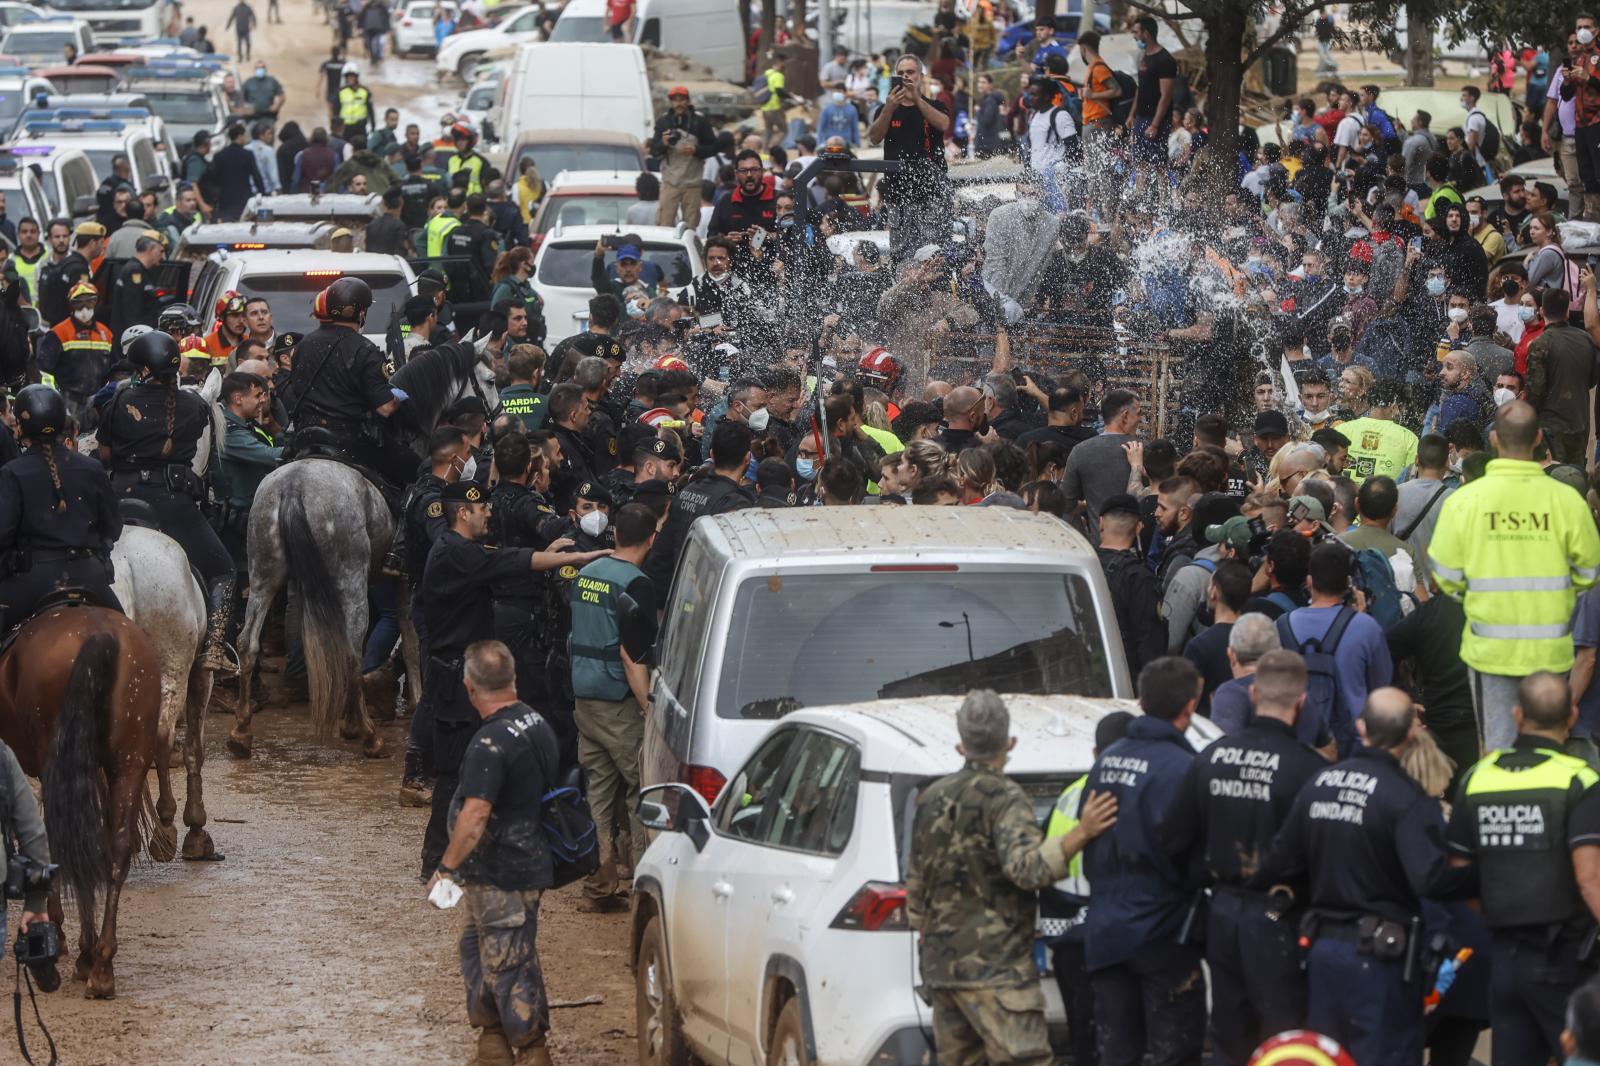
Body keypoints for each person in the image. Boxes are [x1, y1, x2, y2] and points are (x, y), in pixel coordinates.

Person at [1264, 687, 1477, 1066]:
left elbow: (1278, 861)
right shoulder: (1407, 798)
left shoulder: (1320, 783)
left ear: (1361, 727)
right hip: (1382, 962)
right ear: (1411, 735)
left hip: (1322, 954)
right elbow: (1430, 880)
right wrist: (1477, 873)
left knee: (1328, 1058)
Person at [907, 688, 1118, 1066]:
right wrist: (1081, 833)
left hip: (944, 972)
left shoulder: (931, 799)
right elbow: (1028, 869)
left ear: (960, 746)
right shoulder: (1005, 799)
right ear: (1010, 742)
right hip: (997, 970)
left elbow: (917, 886)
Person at [418, 479, 608, 876]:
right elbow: (502, 563)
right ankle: (438, 862)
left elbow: (499, 556)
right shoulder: (454, 553)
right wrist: (561, 561)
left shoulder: (462, 550)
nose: (489, 512)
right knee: (455, 773)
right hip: (455, 684)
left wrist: (546, 553)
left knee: (478, 766)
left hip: (464, 680)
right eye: (482, 508)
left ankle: (467, 852)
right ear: (463, 513)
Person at [1158, 649, 1326, 1066]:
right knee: (1284, 1039)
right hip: (1281, 918)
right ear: (1301, 702)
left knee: (1230, 1035)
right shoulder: (1308, 770)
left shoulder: (1212, 758)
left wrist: (1205, 879)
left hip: (1223, 914)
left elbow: (1170, 838)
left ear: (1253, 694)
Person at [1443, 671, 1600, 1064]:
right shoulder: (1580, 780)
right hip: (1564, 958)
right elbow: (1589, 879)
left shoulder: (1478, 777)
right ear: (1572, 716)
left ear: (1517, 716)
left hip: (1504, 957)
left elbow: (1458, 872)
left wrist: (1501, 913)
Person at [1429, 400, 1600, 752]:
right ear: (1538, 438)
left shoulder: (1466, 500)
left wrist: (1478, 595)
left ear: (1493, 439)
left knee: (1498, 750)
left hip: (1489, 650)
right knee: (1548, 749)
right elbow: (1589, 572)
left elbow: (1445, 576)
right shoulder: (1566, 501)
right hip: (1551, 652)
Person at [428, 639, 559, 1066]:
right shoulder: (536, 722)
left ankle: (531, 1049)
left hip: (505, 873)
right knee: (476, 948)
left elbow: (475, 814)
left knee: (509, 962)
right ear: (513, 677)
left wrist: (446, 868)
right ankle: (492, 1042)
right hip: (513, 867)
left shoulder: (490, 744)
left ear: (469, 687)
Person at [1079, 656, 1206, 1065]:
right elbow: (1195, 856)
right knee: (1175, 1050)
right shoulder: (1184, 768)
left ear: (1142, 701)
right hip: (1163, 934)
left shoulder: (1106, 762)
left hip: (1106, 931)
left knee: (1117, 1051)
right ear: (1191, 705)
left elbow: (1090, 839)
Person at [96, 332, 235, 673]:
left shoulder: (118, 400)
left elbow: (105, 454)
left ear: (142, 368)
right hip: (173, 503)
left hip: (122, 499)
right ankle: (215, 646)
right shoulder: (195, 406)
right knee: (223, 570)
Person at [568, 502, 658, 906]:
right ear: (651, 539)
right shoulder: (637, 584)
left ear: (615, 535)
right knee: (643, 791)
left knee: (598, 794)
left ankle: (599, 883)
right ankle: (645, 887)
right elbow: (632, 656)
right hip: (621, 703)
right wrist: (649, 707)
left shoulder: (585, 575)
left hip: (584, 697)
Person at [0, 384, 121, 631]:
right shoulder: (92, 468)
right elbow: (114, 527)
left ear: (22, 427)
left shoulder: (12, 472)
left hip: (33, 580)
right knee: (130, 639)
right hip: (90, 577)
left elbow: (2, 534)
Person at [283, 277, 415, 490]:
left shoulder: (302, 346)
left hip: (304, 437)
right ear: (361, 313)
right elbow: (385, 407)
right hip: (349, 441)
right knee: (413, 471)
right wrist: (400, 395)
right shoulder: (365, 349)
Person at [867, 54, 951, 263]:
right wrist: (889, 107)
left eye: (910, 72)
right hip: (898, 196)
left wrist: (917, 100)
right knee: (901, 255)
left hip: (930, 195)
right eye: (901, 74)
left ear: (921, 76)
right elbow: (874, 137)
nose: (905, 77)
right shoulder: (887, 108)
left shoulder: (934, 105)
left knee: (933, 255)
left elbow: (943, 124)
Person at [212, 371, 281, 579]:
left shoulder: (244, 425)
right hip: (235, 524)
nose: (263, 400)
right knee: (244, 581)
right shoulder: (230, 432)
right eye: (258, 395)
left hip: (245, 517)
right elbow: (269, 456)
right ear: (238, 399)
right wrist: (305, 448)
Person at [1525, 288, 1599, 464]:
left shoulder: (1540, 343)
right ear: (1567, 311)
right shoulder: (1586, 339)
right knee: (1576, 474)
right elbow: (1592, 379)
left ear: (1542, 311)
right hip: (1580, 421)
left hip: (1551, 426)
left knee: (1553, 473)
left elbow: (1536, 390)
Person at [1096, 493, 1166, 676]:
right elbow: (1150, 643)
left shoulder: (1083, 566)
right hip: (1124, 679)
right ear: (1138, 528)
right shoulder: (1140, 578)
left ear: (1101, 523)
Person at [1061, 389, 1139, 544]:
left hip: (1098, 548)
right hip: (1138, 552)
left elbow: (1065, 505)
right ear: (1124, 416)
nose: (1140, 419)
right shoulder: (1144, 451)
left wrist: (1084, 539)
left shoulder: (1081, 451)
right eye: (1138, 413)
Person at [36, 280, 113, 424]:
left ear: (96, 302)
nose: (85, 308)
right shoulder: (59, 333)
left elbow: (111, 368)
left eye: (89, 301)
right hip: (68, 400)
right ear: (71, 304)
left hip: (97, 401)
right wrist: (53, 399)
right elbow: (44, 370)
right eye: (79, 303)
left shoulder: (106, 334)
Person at [649, 86, 716, 229]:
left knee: (691, 226)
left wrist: (696, 150)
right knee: (664, 222)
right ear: (670, 102)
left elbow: (713, 148)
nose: (679, 104)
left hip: (692, 182)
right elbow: (654, 151)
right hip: (670, 181)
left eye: (682, 100)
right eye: (675, 100)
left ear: (688, 101)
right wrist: (663, 143)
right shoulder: (663, 122)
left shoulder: (700, 122)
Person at [108, 236, 164, 343]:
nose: (162, 256)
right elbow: (132, 312)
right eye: (161, 251)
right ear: (151, 249)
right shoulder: (134, 272)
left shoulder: (140, 270)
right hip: (133, 339)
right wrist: (136, 340)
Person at [338, 65, 373, 140]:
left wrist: (373, 127)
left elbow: (370, 110)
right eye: (347, 77)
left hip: (360, 128)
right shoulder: (341, 92)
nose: (349, 79)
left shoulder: (365, 91)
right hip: (346, 128)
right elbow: (336, 110)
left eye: (351, 77)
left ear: (356, 77)